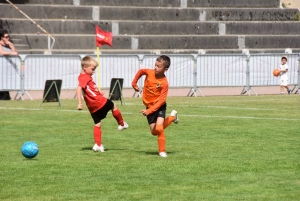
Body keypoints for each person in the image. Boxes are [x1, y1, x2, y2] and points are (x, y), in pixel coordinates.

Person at [76, 56, 128, 152]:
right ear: (85, 67)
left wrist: (99, 92)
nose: (94, 71)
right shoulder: (85, 77)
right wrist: (79, 103)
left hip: (92, 107)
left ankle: (98, 145)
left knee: (97, 123)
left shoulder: (81, 76)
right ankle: (121, 124)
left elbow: (89, 90)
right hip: (99, 101)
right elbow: (79, 88)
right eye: (92, 69)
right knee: (113, 105)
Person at [131, 55, 178, 158]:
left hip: (160, 106)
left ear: (165, 69)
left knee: (160, 128)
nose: (156, 68)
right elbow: (140, 72)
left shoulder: (164, 83)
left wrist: (149, 111)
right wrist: (134, 83)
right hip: (149, 106)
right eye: (155, 65)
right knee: (154, 132)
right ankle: (172, 117)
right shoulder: (149, 72)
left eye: (159, 66)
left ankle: (162, 151)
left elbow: (161, 101)